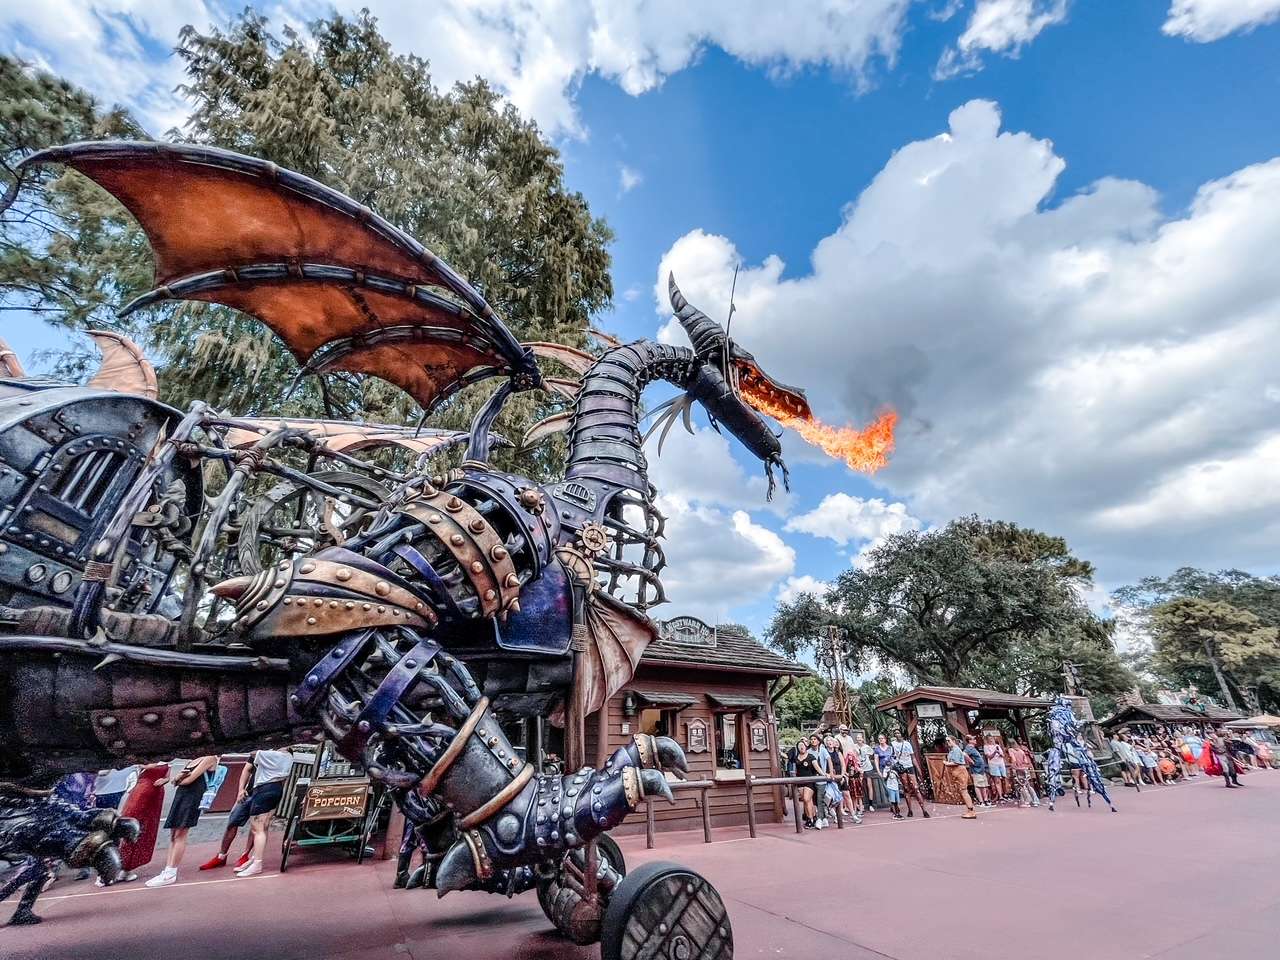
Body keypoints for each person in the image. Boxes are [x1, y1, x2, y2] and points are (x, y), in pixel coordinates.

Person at [146, 755, 220, 887]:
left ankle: (172, 871)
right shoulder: (192, 760)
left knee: (180, 834)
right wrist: (178, 779)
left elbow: (188, 780)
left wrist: (179, 779)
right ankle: (167, 869)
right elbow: (175, 780)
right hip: (182, 795)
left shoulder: (210, 758)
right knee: (173, 835)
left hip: (192, 797)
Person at [232, 747, 294, 878]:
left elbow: (253, 752)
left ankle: (257, 863)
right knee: (264, 826)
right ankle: (255, 859)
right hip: (276, 788)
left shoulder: (273, 755)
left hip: (264, 789)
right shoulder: (288, 757)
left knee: (257, 828)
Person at [111, 761, 169, 886]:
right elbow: (155, 769)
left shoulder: (162, 761)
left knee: (139, 829)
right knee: (135, 827)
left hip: (150, 792)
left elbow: (164, 774)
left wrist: (164, 780)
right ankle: (123, 867)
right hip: (146, 791)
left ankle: (125, 867)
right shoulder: (157, 760)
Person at [889, 731, 930, 818]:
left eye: (898, 732)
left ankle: (924, 810)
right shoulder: (893, 744)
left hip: (909, 766)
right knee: (906, 789)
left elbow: (913, 757)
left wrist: (918, 770)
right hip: (901, 767)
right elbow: (891, 757)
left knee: (916, 788)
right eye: (895, 733)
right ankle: (910, 810)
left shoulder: (907, 744)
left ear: (902, 735)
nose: (897, 734)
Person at [944, 736, 977, 819]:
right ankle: (969, 810)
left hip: (960, 771)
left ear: (954, 741)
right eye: (947, 741)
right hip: (956, 772)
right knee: (962, 791)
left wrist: (947, 763)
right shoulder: (952, 751)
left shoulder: (956, 750)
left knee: (964, 791)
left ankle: (971, 811)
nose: (947, 742)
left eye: (949, 741)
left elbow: (956, 762)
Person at [793, 737, 823, 828]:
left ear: (806, 746)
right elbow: (794, 770)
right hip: (800, 781)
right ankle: (811, 818)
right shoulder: (796, 758)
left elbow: (817, 768)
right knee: (807, 801)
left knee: (807, 798)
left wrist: (824, 774)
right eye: (799, 746)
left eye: (803, 745)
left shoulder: (811, 756)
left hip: (809, 780)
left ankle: (810, 818)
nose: (801, 747)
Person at [1007, 739, 1040, 807]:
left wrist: (1013, 767)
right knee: (1028, 785)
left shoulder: (1011, 750)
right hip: (1025, 768)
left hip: (1018, 769)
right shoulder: (1021, 751)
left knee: (1021, 785)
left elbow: (1013, 760)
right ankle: (1035, 800)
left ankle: (1026, 801)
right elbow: (1025, 761)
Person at [964, 736, 990, 806]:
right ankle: (981, 801)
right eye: (973, 739)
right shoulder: (969, 748)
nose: (975, 740)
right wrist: (971, 761)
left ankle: (986, 800)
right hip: (976, 770)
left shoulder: (973, 748)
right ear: (969, 741)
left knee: (983, 785)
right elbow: (964, 754)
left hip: (981, 769)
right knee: (978, 785)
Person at [983, 733, 1008, 803]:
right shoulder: (986, 747)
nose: (991, 740)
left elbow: (1003, 755)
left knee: (1004, 778)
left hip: (1001, 763)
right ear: (987, 740)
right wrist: (995, 752)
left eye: (992, 739)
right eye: (990, 739)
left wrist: (999, 753)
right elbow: (989, 757)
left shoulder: (997, 746)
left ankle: (1005, 793)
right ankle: (1000, 796)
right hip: (993, 764)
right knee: (997, 780)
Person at [856, 732, 877, 812]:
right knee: (859, 786)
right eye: (857, 738)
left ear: (863, 739)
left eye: (860, 738)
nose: (859, 739)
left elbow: (872, 753)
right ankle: (860, 804)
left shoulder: (867, 747)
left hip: (868, 767)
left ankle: (871, 804)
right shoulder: (854, 747)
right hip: (859, 768)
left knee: (869, 785)